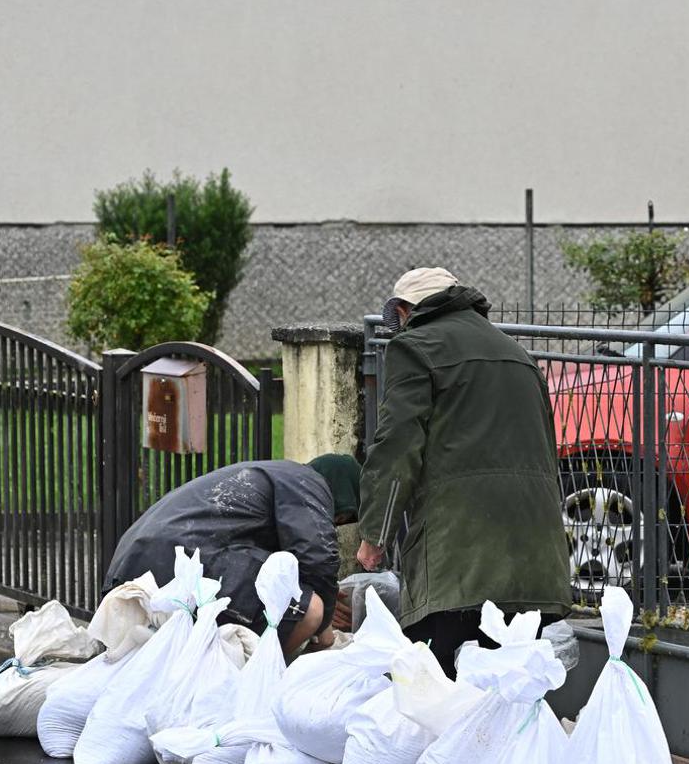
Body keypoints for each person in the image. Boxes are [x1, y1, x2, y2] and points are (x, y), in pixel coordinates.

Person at [357, 267, 571, 677]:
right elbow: (546, 449)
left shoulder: (414, 348)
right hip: (536, 559)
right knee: (509, 690)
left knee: (437, 687)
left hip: (461, 561)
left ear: (404, 311)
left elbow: (397, 447)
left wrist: (375, 535)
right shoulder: (518, 355)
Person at [103, 454, 361, 660]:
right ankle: (258, 681)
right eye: (341, 517)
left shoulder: (273, 475)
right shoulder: (308, 482)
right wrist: (325, 629)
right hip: (178, 561)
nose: (336, 523)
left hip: (133, 566)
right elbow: (318, 558)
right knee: (310, 609)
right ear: (341, 490)